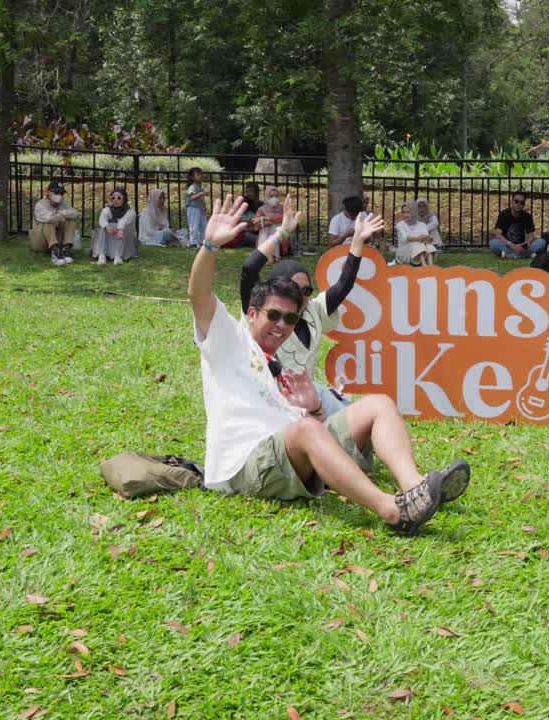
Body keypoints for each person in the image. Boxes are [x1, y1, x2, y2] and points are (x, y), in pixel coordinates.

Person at [188, 194, 471, 535]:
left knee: (378, 404)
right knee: (308, 430)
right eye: (273, 315)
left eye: (290, 319)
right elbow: (198, 295)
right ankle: (394, 511)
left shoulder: (281, 367)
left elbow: (308, 431)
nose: (281, 326)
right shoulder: (229, 340)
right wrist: (209, 246)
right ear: (251, 313)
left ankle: (415, 487)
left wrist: (315, 408)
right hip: (243, 466)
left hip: (290, 453)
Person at [240, 193, 369, 419]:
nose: (301, 297)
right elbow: (249, 270)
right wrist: (282, 232)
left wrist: (357, 241)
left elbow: (344, 285)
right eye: (293, 290)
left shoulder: (314, 310)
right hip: (270, 400)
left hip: (306, 397)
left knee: (364, 415)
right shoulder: (262, 310)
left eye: (306, 290)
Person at [30, 181, 81, 266]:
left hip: (58, 240)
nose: (59, 195)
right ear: (48, 192)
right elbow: (49, 217)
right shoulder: (41, 204)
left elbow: (75, 214)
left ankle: (65, 250)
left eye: (61, 193)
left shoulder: (63, 204)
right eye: (56, 193)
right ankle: (55, 252)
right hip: (40, 242)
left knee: (70, 221)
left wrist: (60, 214)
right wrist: (62, 215)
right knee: (49, 222)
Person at [490, 191, 545, 258]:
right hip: (507, 245)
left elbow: (531, 236)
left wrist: (525, 243)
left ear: (524, 205)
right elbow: (498, 234)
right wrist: (510, 244)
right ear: (512, 202)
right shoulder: (504, 214)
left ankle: (509, 255)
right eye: (516, 201)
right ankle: (525, 254)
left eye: (522, 203)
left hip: (522, 246)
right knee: (493, 243)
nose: (519, 204)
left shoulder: (527, 216)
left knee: (542, 242)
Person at [93, 187, 138, 265]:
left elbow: (124, 220)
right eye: (113, 198)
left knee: (124, 228)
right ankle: (102, 254)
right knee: (104, 227)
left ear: (124, 199)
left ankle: (118, 256)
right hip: (111, 233)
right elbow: (102, 219)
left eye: (119, 198)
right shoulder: (107, 210)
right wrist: (107, 227)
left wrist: (120, 230)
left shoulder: (130, 211)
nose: (115, 200)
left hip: (124, 235)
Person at [394, 201, 437, 266]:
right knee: (416, 245)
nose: (405, 215)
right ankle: (424, 267)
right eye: (403, 212)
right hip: (403, 253)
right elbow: (405, 238)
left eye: (408, 212)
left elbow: (426, 239)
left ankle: (431, 266)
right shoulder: (400, 225)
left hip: (419, 250)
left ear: (414, 212)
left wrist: (429, 238)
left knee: (429, 246)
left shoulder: (422, 225)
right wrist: (418, 238)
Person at [185, 167, 209, 248]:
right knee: (194, 225)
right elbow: (192, 197)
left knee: (204, 225)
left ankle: (203, 241)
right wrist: (202, 193)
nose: (200, 176)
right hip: (193, 208)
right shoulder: (192, 187)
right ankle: (193, 243)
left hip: (199, 208)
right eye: (198, 175)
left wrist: (204, 205)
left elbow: (201, 199)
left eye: (201, 174)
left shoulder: (199, 187)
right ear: (192, 177)